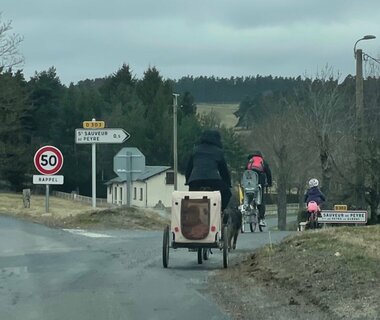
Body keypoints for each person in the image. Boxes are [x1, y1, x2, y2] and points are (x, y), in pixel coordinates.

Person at [185, 129, 232, 213]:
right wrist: (228, 183)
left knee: (192, 199)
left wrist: (187, 180)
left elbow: (189, 168)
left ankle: (192, 215)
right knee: (227, 194)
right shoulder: (218, 151)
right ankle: (218, 212)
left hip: (195, 181)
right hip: (213, 180)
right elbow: (224, 171)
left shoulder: (195, 150)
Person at [246, 151, 272, 227]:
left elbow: (245, 171)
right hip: (260, 182)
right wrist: (269, 183)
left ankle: (247, 206)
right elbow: (268, 173)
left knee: (248, 195)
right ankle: (261, 219)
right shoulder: (262, 161)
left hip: (249, 183)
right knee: (261, 200)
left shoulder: (250, 161)